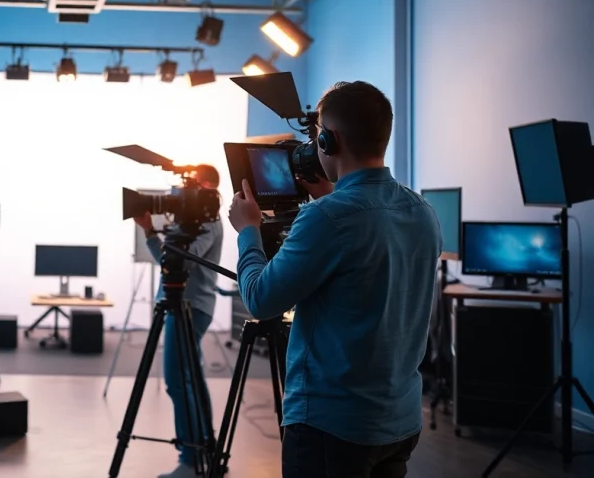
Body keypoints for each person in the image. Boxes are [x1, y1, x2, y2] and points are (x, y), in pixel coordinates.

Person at [229, 81, 441, 478]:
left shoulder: (327, 218)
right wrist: (329, 195)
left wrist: (248, 231)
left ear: (328, 140)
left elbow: (259, 299)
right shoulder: (422, 210)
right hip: (398, 421)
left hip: (334, 426)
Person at [133, 164, 224, 478]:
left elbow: (182, 260)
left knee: (175, 380)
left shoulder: (209, 220)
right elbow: (168, 262)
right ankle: (206, 452)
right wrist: (150, 232)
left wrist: (155, 235)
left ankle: (191, 460)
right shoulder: (200, 219)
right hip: (185, 304)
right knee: (192, 381)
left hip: (190, 306)